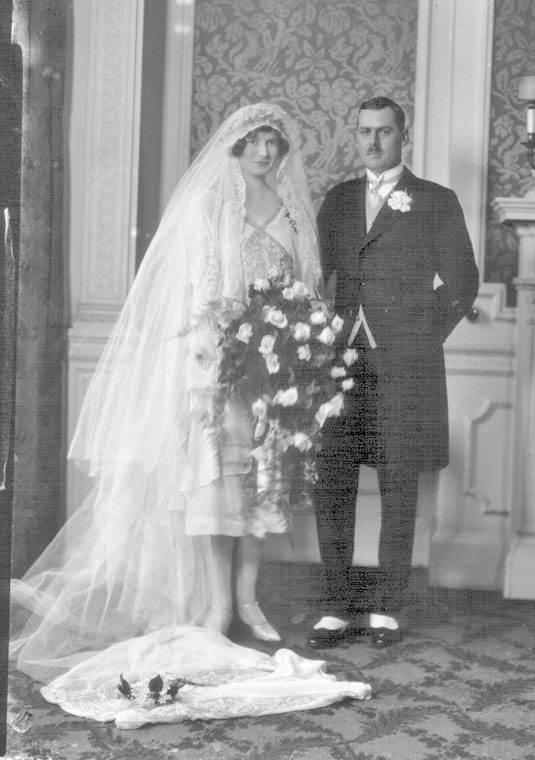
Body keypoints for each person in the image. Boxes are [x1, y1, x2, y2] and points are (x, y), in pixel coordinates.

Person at [9, 104, 371, 725]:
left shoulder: (293, 212)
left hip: (281, 374)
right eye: (254, 141)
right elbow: (200, 292)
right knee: (216, 487)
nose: (264, 152)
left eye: (273, 143)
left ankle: (249, 599)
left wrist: (300, 349)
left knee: (264, 487)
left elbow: (308, 287)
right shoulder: (211, 210)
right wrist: (223, 351)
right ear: (232, 148)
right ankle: (215, 609)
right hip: (221, 369)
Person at [309, 96, 479, 650]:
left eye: (384, 132)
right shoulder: (335, 202)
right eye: (364, 132)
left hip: (406, 367)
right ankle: (337, 603)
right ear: (354, 137)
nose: (373, 142)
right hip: (340, 366)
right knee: (332, 477)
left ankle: (385, 605)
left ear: (403, 136)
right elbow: (317, 279)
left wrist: (417, 335)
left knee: (397, 481)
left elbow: (462, 283)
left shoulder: (435, 201)